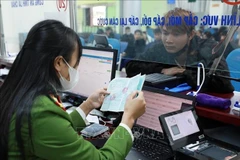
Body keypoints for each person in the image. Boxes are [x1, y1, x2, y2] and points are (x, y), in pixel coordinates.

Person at [0, 20, 146, 160]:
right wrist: (128, 119)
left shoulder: (18, 90)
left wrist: (87, 105)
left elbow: (55, 132)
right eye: (75, 65)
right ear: (58, 63)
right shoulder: (41, 111)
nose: (76, 70)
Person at [126, 8, 234, 93]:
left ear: (191, 35)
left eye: (176, 34)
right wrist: (162, 70)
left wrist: (184, 72)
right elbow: (131, 66)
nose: (168, 40)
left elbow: (223, 83)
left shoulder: (209, 48)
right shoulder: (159, 48)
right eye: (165, 33)